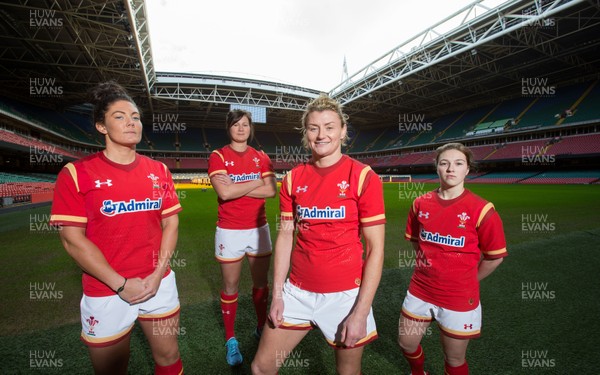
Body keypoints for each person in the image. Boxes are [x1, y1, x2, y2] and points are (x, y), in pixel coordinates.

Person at [49, 81, 184, 375]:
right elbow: (72, 240)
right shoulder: (76, 173)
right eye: (120, 116)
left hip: (157, 283)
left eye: (135, 116)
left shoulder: (158, 170)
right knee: (112, 369)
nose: (131, 122)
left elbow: (171, 222)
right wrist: (121, 284)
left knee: (169, 356)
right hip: (106, 291)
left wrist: (158, 274)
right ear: (101, 126)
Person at [251, 94, 386, 375]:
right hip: (297, 292)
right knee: (261, 368)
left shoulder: (363, 176)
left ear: (343, 131)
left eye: (329, 126)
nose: (321, 134)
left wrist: (360, 312)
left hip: (345, 296)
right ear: (306, 134)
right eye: (313, 128)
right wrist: (278, 294)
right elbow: (286, 236)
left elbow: (375, 249)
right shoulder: (293, 178)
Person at [398, 143, 508, 375]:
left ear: (467, 169)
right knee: (406, 343)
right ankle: (418, 372)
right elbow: (417, 242)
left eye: (458, 163)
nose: (450, 169)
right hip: (421, 290)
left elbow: (494, 257)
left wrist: (468, 279)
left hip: (458, 296)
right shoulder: (420, 203)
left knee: (454, 359)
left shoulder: (482, 209)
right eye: (444, 163)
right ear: (437, 167)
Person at [208, 109, 277, 366]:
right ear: (229, 128)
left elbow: (271, 190)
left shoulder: (261, 157)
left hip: (259, 229)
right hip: (229, 230)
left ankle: (261, 327)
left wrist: (235, 187)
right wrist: (253, 183)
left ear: (251, 129)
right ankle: (230, 338)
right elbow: (224, 194)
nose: (240, 128)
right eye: (236, 124)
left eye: (245, 124)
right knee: (230, 287)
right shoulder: (218, 155)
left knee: (261, 284)